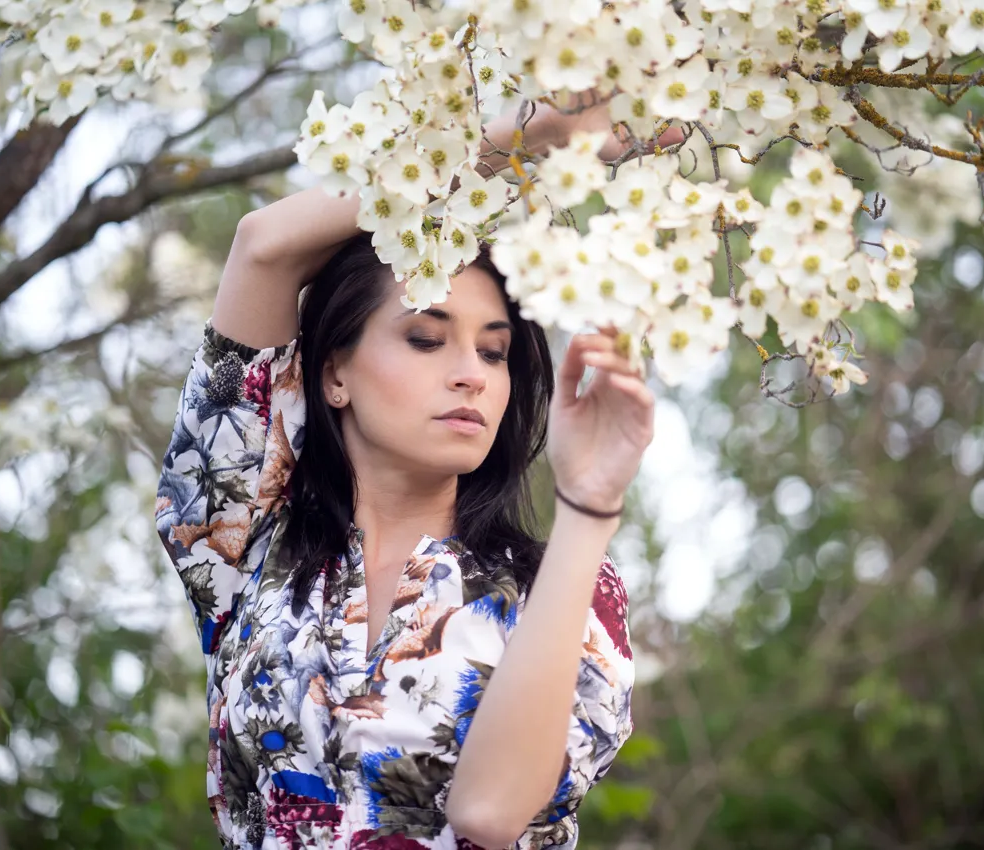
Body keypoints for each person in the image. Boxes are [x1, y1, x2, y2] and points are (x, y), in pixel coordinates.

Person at [154, 98, 663, 849]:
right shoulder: (247, 549)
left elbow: (490, 814)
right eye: (426, 339)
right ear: (335, 375)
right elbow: (265, 245)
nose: (472, 375)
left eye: (493, 352)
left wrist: (589, 505)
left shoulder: (562, 588)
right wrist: (523, 137)